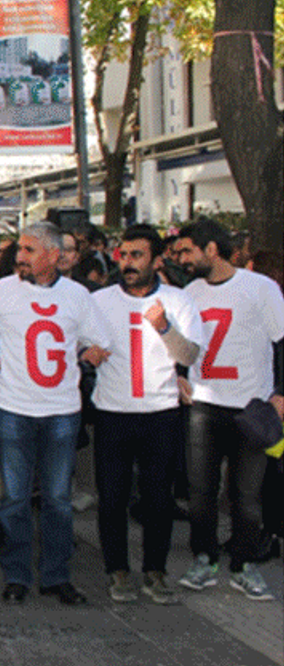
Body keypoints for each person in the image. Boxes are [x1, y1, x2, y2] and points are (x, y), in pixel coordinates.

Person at [0, 222, 111, 606]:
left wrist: (92, 352)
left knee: (56, 498)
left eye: (30, 250)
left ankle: (56, 576)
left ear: (54, 255)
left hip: (61, 410)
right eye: (20, 248)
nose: (20, 256)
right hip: (14, 407)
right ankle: (16, 575)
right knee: (14, 497)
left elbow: (100, 340)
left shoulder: (77, 296)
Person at [90, 225, 204, 605]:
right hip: (112, 411)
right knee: (112, 497)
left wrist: (164, 327)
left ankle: (155, 569)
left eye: (137, 255)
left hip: (160, 412)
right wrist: (85, 354)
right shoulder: (100, 300)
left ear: (158, 260)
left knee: (158, 497)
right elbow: (77, 342)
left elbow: (189, 356)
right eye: (124, 255)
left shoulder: (179, 300)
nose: (128, 263)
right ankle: (117, 569)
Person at [173, 219, 284, 601]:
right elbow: (182, 346)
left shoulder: (260, 289)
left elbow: (283, 341)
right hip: (205, 402)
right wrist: (177, 375)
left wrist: (281, 393)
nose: (181, 258)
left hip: (251, 405)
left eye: (187, 250)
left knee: (247, 494)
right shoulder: (190, 293)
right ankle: (204, 557)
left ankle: (244, 564)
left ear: (211, 250)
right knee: (201, 490)